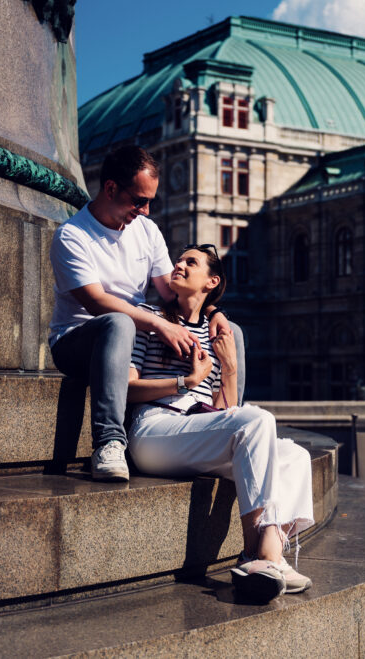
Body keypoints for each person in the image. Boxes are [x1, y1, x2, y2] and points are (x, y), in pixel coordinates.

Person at [125, 244, 314, 603]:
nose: (178, 265)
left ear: (211, 281)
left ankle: (269, 557)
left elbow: (224, 412)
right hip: (153, 429)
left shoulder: (216, 334)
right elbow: (127, 389)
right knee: (259, 420)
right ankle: (254, 554)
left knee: (294, 456)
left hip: (197, 428)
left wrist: (229, 368)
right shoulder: (149, 319)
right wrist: (186, 382)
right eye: (178, 260)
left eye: (189, 262)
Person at [48, 146, 228, 481]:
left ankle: (225, 418)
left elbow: (168, 291)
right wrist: (160, 325)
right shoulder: (71, 236)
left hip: (136, 336)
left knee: (231, 332)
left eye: (149, 202)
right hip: (77, 341)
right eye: (138, 200)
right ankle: (109, 442)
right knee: (117, 323)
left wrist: (214, 311)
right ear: (111, 188)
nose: (145, 211)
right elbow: (97, 303)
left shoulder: (145, 230)